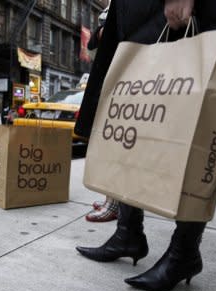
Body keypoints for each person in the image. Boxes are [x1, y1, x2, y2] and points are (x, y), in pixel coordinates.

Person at [74, 0, 216, 291]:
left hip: (197, 9)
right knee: (134, 125)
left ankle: (184, 252)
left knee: (199, 124)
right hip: (141, 13)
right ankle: (128, 233)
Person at [84, 4, 119, 223]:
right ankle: (114, 201)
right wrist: (102, 31)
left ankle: (116, 203)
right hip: (114, 76)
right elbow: (93, 42)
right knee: (111, 142)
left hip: (132, 73)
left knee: (120, 144)